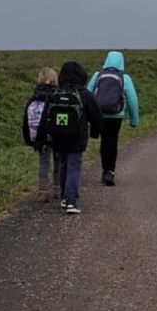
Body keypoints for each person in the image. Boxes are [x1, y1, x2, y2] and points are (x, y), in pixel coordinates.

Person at [40, 61, 102, 214]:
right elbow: (97, 117)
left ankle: (64, 196)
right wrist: (95, 133)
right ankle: (71, 200)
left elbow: (45, 116)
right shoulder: (85, 94)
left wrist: (41, 137)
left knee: (63, 164)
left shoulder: (55, 94)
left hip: (57, 136)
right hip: (77, 137)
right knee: (74, 165)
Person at [87, 51, 139, 186]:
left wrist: (86, 115)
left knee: (104, 141)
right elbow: (132, 100)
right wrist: (134, 120)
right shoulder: (125, 78)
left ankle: (104, 170)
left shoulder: (97, 75)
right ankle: (110, 172)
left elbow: (87, 94)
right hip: (116, 116)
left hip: (100, 114)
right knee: (112, 141)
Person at [22, 66, 59, 201]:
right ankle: (58, 189)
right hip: (56, 134)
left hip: (40, 136)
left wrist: (29, 139)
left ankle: (43, 191)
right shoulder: (57, 96)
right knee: (58, 161)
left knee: (43, 162)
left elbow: (25, 120)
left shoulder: (34, 97)